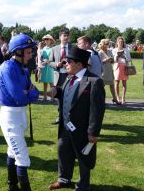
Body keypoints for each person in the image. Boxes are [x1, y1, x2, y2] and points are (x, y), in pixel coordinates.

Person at [47, 46, 105, 190]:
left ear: (79, 64)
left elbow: (97, 110)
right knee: (63, 152)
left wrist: (93, 132)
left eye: (69, 62)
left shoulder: (94, 81)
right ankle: (63, 180)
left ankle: (83, 185)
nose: (66, 64)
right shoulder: (69, 78)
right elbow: (66, 93)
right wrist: (56, 91)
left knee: (83, 157)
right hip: (65, 126)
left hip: (83, 129)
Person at [0, 34, 39, 191]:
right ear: (18, 51)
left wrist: (28, 93)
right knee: (22, 156)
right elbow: (20, 98)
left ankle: (12, 186)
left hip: (20, 115)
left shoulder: (24, 69)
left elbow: (36, 93)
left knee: (12, 151)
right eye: (28, 50)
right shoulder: (7, 68)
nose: (31, 53)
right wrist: (28, 93)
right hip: (10, 116)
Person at [49, 28, 72, 124]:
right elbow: (49, 62)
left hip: (69, 75)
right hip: (58, 75)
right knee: (59, 97)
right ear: (60, 37)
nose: (66, 37)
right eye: (64, 35)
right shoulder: (54, 49)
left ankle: (70, 117)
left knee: (70, 96)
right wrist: (56, 64)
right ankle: (60, 117)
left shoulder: (73, 48)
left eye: (67, 35)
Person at [98, 39, 120, 104]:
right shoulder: (100, 52)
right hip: (103, 71)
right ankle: (101, 100)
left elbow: (112, 61)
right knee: (102, 86)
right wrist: (107, 59)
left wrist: (112, 59)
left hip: (109, 70)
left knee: (112, 85)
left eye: (108, 44)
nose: (108, 45)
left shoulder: (109, 51)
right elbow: (99, 62)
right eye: (106, 44)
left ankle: (115, 99)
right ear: (103, 44)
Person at [112, 37, 131, 105]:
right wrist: (117, 57)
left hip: (124, 66)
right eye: (119, 42)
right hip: (117, 67)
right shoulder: (114, 50)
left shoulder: (126, 50)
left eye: (122, 42)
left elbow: (129, 59)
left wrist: (124, 57)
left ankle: (123, 98)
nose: (121, 43)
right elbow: (113, 60)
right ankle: (117, 97)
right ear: (117, 42)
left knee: (124, 83)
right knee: (116, 82)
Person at [40, 34, 55, 101]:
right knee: (45, 82)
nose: (46, 41)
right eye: (45, 39)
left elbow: (52, 59)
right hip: (44, 66)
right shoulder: (43, 48)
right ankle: (45, 96)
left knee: (51, 83)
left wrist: (46, 61)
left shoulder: (52, 49)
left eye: (47, 39)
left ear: (50, 40)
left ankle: (52, 97)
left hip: (50, 66)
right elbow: (41, 57)